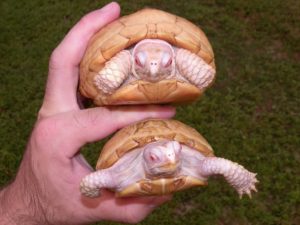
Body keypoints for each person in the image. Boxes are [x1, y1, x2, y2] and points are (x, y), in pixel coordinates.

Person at [0, 2, 175, 224]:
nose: (153, 69)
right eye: (141, 62)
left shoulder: (177, 59)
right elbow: (112, 70)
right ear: (133, 58)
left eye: (165, 63)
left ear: (172, 57)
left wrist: (26, 206)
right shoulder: (122, 60)